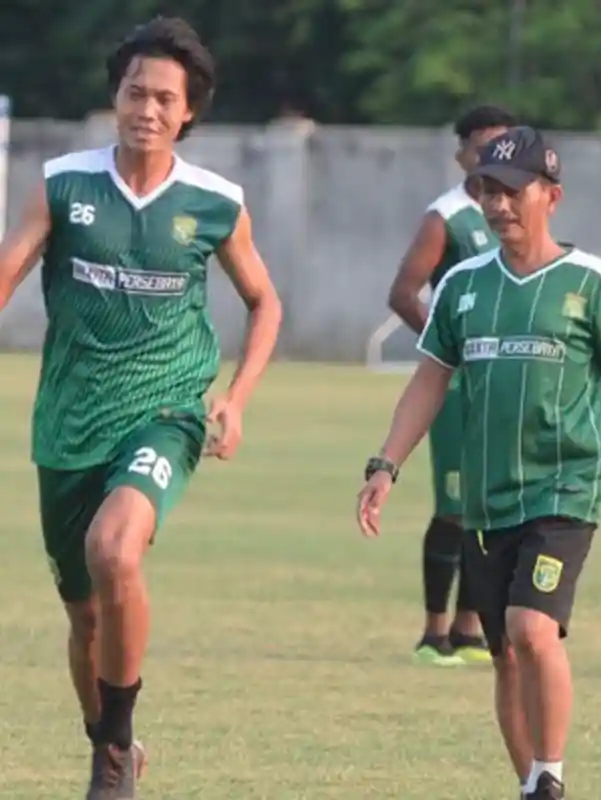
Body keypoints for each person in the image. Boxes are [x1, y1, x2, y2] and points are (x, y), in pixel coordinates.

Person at [0, 17, 282, 799]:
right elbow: (7, 272)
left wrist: (236, 399)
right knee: (85, 618)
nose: (147, 109)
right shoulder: (64, 185)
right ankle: (109, 737)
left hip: (166, 412)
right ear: (115, 97)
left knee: (115, 549)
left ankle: (115, 755)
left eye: (164, 98)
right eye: (135, 93)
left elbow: (264, 303)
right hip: (69, 421)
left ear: (188, 112)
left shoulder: (215, 202)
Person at [356, 126, 601, 800]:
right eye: (487, 191)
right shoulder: (464, 285)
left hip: (564, 490)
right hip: (486, 495)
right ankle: (531, 785)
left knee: (533, 629)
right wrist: (386, 464)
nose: (498, 205)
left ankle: (551, 774)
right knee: (503, 653)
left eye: (512, 191)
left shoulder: (590, 282)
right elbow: (429, 381)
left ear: (551, 196)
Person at [387, 104, 516, 667]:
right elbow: (403, 293)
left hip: (501, 381)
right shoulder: (448, 217)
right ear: (462, 152)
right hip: (459, 386)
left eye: (503, 147)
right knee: (454, 504)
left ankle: (469, 628)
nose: (493, 158)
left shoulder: (512, 213)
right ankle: (433, 631)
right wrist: (448, 348)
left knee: (488, 504)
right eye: (483, 147)